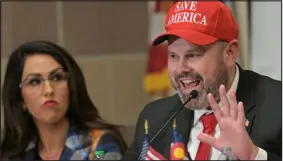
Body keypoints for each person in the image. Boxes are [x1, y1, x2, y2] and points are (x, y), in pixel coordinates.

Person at [123, 1, 281, 160]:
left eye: (193, 55)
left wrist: (254, 156)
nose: (180, 69)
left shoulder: (277, 106)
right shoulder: (155, 118)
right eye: (173, 56)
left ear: (230, 54)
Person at [0, 40, 128, 160]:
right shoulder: (13, 155)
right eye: (35, 81)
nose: (49, 90)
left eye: (57, 78)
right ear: (20, 99)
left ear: (71, 86)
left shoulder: (99, 148)